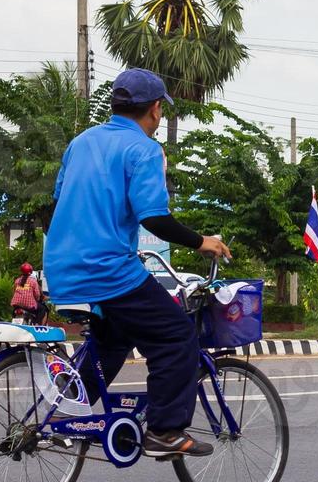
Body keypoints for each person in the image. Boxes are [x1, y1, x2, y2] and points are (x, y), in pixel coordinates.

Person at [42, 68, 232, 459]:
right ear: (156, 110)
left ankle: (68, 412)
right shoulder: (143, 150)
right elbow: (153, 218)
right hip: (108, 270)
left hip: (61, 268)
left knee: (114, 340)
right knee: (178, 336)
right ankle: (164, 431)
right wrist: (202, 242)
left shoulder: (81, 142)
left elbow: (56, 203)